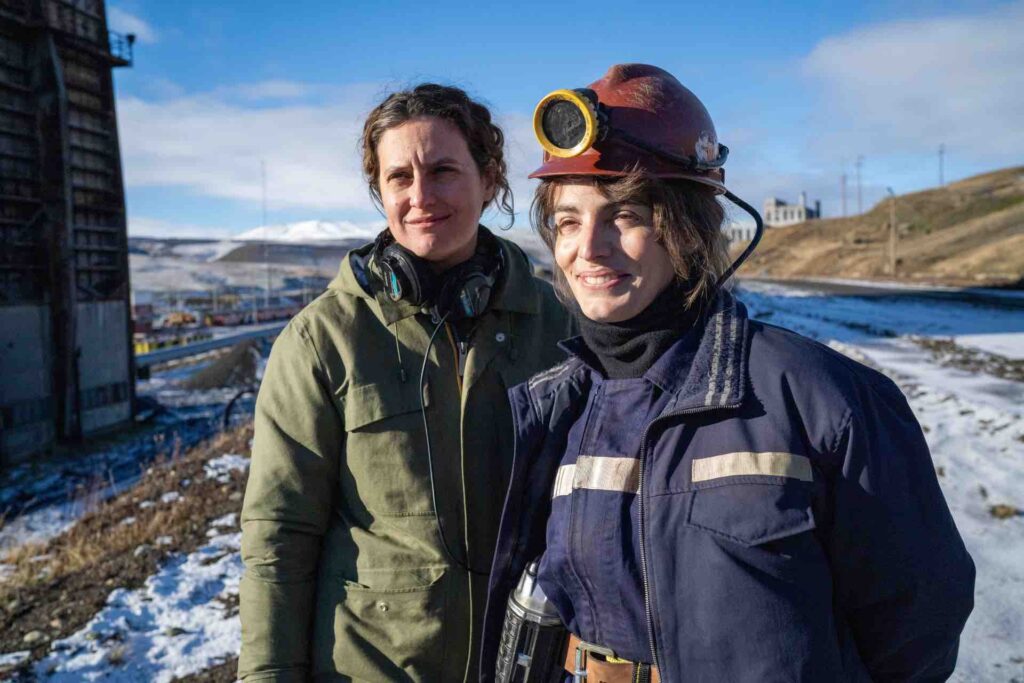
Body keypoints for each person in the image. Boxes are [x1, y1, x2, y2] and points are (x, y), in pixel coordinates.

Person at [481, 64, 974, 682]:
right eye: (568, 221)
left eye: (625, 215)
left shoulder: (820, 399)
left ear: (689, 227)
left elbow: (917, 629)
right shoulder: (559, 409)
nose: (589, 248)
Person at [238, 83, 574, 681]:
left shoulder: (557, 325)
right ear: (380, 192)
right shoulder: (324, 339)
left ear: (489, 178)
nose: (421, 196)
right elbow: (278, 536)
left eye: (443, 171)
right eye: (399, 177)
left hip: (525, 663)